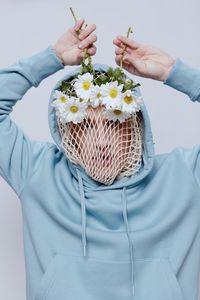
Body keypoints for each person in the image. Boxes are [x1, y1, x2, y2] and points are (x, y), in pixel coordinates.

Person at [0, 17, 200, 300]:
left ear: (136, 125)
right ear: (67, 131)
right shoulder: (38, 172)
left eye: (114, 123)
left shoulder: (182, 176)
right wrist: (52, 58)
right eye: (86, 125)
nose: (102, 142)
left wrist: (173, 72)